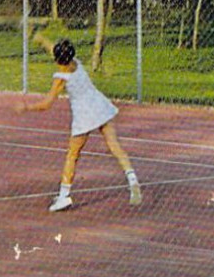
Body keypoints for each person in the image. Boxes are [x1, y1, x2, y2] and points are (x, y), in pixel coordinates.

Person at [20, 36, 142, 212]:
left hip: (84, 114)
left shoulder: (61, 77)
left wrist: (26, 107)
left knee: (72, 155)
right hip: (100, 106)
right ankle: (132, 179)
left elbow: (47, 104)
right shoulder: (75, 62)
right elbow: (54, 48)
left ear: (56, 58)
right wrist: (42, 40)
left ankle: (64, 196)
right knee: (114, 146)